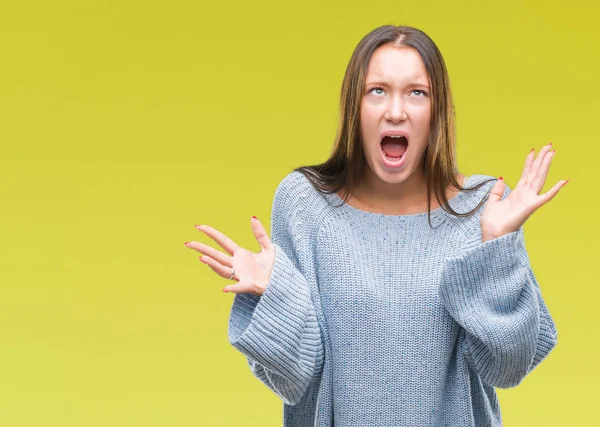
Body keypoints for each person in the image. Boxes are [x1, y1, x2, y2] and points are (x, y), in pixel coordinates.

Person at [186, 25, 564, 427]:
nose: (396, 111)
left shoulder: (485, 208)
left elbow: (508, 368)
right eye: (377, 90)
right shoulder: (305, 204)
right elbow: (295, 377)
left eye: (417, 92)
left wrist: (496, 247)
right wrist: (275, 294)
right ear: (355, 107)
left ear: (437, 111)